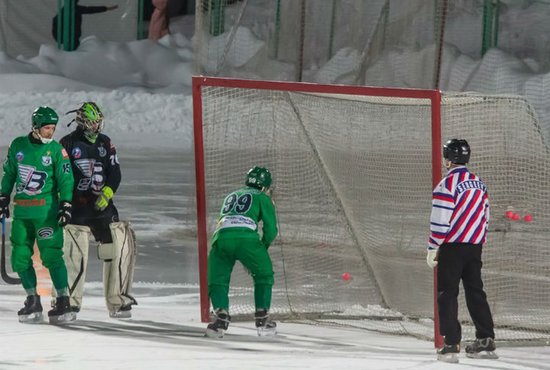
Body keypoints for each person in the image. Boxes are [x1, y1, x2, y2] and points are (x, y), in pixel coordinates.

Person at [59, 102, 137, 319]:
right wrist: (64, 202)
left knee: (118, 247)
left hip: (102, 207)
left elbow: (115, 173)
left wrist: (108, 193)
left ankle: (117, 301)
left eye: (97, 121)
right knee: (75, 253)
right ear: (82, 123)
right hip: (78, 208)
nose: (95, 126)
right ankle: (70, 302)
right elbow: (62, 177)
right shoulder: (67, 143)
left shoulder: (106, 142)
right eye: (91, 122)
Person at [0, 106, 76, 324]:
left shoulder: (56, 150)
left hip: (46, 213)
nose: (50, 133)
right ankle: (32, 299)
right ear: (35, 127)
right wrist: (3, 196)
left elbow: (66, 180)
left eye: (53, 128)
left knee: (52, 255)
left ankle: (63, 300)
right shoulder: (18, 146)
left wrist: (66, 204)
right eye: (46, 128)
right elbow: (10, 173)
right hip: (22, 212)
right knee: (20, 256)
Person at [426, 139, 497, 363]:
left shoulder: (446, 185)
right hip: (474, 247)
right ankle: (485, 340)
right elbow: (485, 217)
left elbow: (440, 221)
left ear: (448, 159)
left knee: (448, 294)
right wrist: (478, 241)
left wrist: (432, 247)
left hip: (452, 247)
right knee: (476, 291)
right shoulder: (479, 183)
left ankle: (451, 344)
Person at [206, 166, 278, 338]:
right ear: (265, 185)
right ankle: (262, 318)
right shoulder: (263, 197)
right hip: (247, 240)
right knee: (264, 274)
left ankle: (220, 317)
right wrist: (261, 249)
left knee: (217, 279)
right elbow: (271, 231)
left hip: (221, 238)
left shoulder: (231, 195)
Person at [52, 0, 119, 50]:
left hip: (67, 37)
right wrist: (106, 8)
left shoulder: (64, 9)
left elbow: (55, 20)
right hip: (72, 37)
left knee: (70, 53)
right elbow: (90, 10)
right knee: (73, 53)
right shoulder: (74, 8)